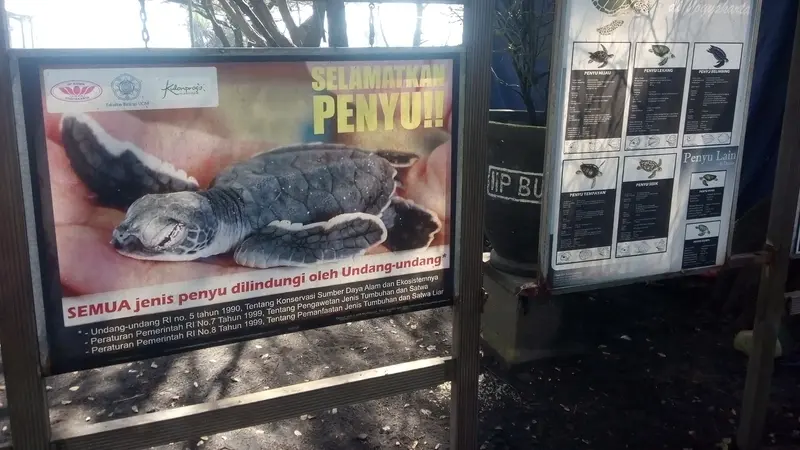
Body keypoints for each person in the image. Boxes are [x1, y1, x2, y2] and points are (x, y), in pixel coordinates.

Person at [44, 105, 453, 297]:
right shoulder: (210, 187)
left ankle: (396, 202)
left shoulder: (251, 242)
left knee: (384, 224)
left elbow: (349, 234)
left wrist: (356, 232)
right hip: (316, 167)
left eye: (164, 237)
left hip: (357, 182)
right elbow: (155, 200)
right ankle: (383, 162)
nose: (124, 240)